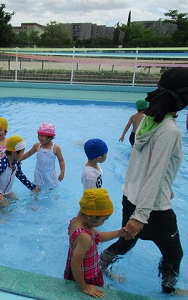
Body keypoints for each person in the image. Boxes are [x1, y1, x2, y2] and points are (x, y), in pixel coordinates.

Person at [100, 67, 188, 294]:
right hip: (153, 208)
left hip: (131, 197)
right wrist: (141, 216)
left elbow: (138, 165)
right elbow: (155, 175)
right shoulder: (169, 130)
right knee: (174, 254)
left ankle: (99, 265)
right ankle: (168, 290)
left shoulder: (148, 122)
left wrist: (135, 208)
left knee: (127, 241)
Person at [64, 188, 126, 298]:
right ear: (91, 216)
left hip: (88, 271)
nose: (103, 222)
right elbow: (75, 264)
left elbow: (97, 237)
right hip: (87, 278)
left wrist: (118, 233)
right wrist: (84, 287)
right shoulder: (84, 237)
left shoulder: (76, 222)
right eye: (104, 220)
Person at [0, 135, 39, 207]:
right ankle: (0, 218)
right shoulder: (1, 165)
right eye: (22, 151)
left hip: (7, 191)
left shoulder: (16, 163)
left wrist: (32, 187)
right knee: (5, 206)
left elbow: (21, 176)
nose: (23, 154)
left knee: (15, 201)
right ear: (14, 153)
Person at [20, 122, 65, 189]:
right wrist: (19, 160)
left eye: (42, 136)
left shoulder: (55, 148)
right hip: (38, 173)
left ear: (50, 137)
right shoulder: (37, 146)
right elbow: (29, 153)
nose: (40, 137)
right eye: (39, 135)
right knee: (37, 189)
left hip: (50, 174)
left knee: (51, 189)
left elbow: (61, 160)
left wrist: (62, 173)